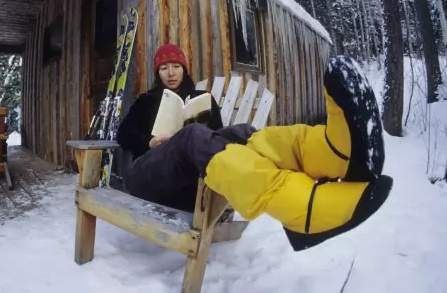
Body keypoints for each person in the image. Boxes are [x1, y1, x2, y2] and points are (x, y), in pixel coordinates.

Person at [117, 43, 393, 251]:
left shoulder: (203, 97)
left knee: (242, 133)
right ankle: (302, 210)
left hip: (192, 184)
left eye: (175, 66)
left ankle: (334, 153)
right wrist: (149, 141)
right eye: (164, 68)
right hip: (148, 176)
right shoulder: (146, 101)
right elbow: (123, 133)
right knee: (192, 137)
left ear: (184, 68)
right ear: (158, 73)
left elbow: (217, 139)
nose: (170, 72)